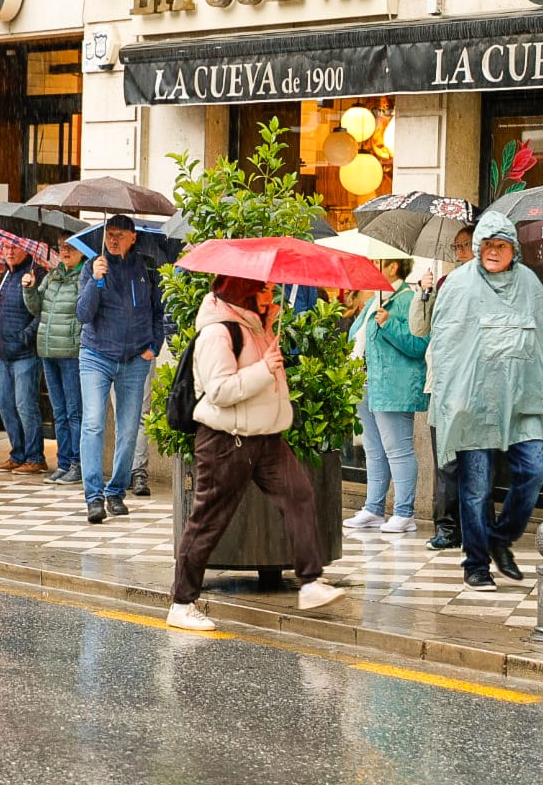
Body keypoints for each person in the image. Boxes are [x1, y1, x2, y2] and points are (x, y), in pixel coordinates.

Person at [166, 275, 344, 631]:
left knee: (300, 495)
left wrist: (268, 325)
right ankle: (182, 602)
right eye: (262, 289)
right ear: (242, 292)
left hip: (265, 438)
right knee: (209, 520)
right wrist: (265, 368)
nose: (269, 293)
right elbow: (220, 391)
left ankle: (309, 581)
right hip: (225, 440)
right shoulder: (218, 332)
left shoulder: (253, 324)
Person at [428, 212, 543, 592]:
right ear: (478, 248)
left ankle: (500, 536)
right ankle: (476, 563)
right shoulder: (458, 284)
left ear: (513, 249)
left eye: (501, 245)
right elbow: (445, 345)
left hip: (524, 398)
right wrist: (449, 398)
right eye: (488, 244)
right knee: (475, 487)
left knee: (535, 470)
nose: (494, 251)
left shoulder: (529, 283)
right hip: (474, 401)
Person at [76, 215, 165, 524]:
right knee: (93, 424)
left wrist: (154, 346)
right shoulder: (92, 266)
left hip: (134, 360)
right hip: (95, 355)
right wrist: (96, 281)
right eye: (108, 234)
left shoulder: (149, 269)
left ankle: (115, 492)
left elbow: (159, 311)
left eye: (119, 235)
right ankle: (93, 497)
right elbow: (83, 313)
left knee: (128, 431)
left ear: (132, 238)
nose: (112, 240)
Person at [345, 256, 428, 533]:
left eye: (377, 264)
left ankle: (404, 512)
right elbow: (356, 337)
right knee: (374, 449)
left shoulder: (408, 297)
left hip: (394, 385)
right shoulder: (376, 298)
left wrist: (389, 323)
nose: (371, 268)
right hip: (368, 383)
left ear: (392, 267)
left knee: (398, 449)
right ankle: (373, 509)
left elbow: (419, 344)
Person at [410, 225, 474, 551]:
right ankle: (447, 528)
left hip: (474, 383)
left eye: (467, 246)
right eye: (457, 247)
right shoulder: (445, 283)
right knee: (445, 461)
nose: (461, 252)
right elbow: (420, 328)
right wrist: (424, 292)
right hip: (442, 384)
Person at [24, 238, 84, 486]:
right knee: (58, 413)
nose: (65, 252)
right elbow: (36, 308)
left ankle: (77, 464)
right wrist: (29, 288)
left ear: (82, 251)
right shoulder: (52, 276)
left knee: (73, 412)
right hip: (48, 351)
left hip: (70, 352)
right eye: (61, 248)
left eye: (71, 247)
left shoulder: (84, 278)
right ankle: (63, 462)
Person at [0, 243, 46, 475]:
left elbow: (41, 311)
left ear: (27, 250)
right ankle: (17, 453)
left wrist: (25, 337)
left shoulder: (36, 273)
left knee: (26, 406)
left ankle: (35, 457)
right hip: (4, 354)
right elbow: (6, 307)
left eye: (14, 248)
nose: (9, 252)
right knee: (6, 405)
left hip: (25, 353)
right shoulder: (5, 275)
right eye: (5, 248)